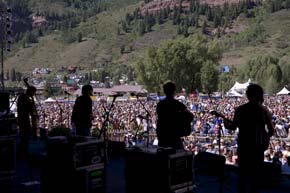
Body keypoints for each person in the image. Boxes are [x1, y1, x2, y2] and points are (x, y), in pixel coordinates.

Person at [223, 84, 274, 193]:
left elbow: (232, 126)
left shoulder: (241, 110)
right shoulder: (264, 111)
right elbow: (271, 131)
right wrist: (264, 139)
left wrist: (226, 123)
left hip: (244, 146)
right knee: (256, 174)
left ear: (247, 95)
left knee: (243, 174)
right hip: (258, 147)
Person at [156, 82, 193, 149]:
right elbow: (190, 116)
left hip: (163, 136)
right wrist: (180, 118)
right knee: (178, 156)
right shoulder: (177, 104)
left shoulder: (160, 104)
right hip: (174, 136)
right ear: (174, 91)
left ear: (164, 91)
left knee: (162, 156)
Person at [17, 85, 38, 158]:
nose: (33, 94)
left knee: (23, 137)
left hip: (21, 119)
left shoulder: (21, 97)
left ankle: (22, 152)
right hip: (24, 120)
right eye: (33, 93)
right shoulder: (25, 99)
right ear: (31, 91)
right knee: (25, 137)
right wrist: (31, 104)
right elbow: (30, 112)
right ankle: (23, 153)